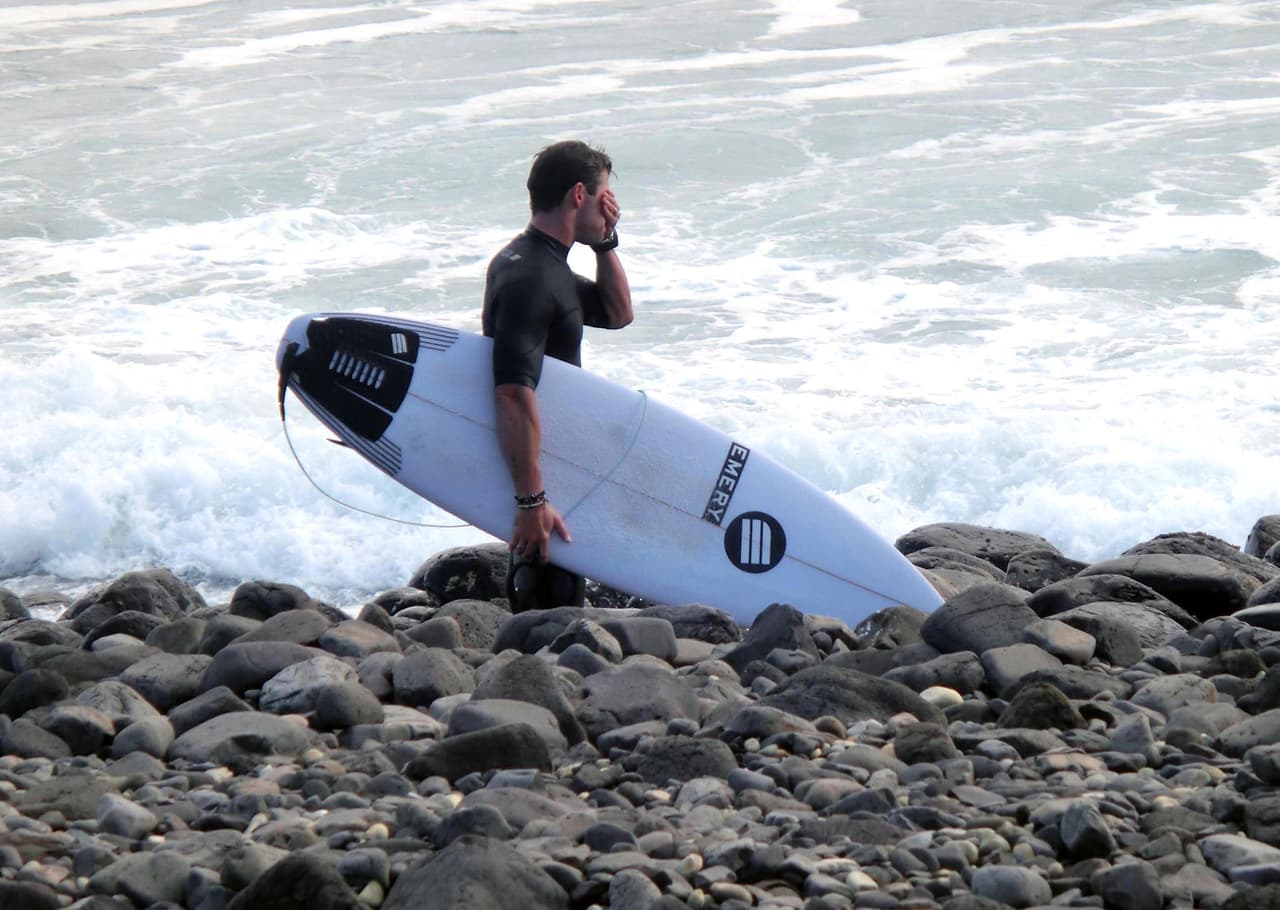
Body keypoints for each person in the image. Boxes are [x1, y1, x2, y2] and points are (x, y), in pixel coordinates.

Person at [482, 140, 634, 612]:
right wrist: (531, 502)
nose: (611, 207)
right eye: (605, 196)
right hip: (539, 473)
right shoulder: (532, 278)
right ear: (578, 195)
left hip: (552, 466)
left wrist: (605, 242)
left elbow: (617, 313)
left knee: (562, 608)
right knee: (551, 608)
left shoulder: (543, 265)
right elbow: (511, 392)